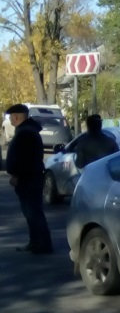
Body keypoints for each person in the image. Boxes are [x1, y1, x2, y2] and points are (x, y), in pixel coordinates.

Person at [5, 103, 53, 254]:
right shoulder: (27, 131)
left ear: (16, 116)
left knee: (33, 212)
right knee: (31, 212)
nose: (11, 120)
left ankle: (42, 244)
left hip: (29, 178)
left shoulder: (25, 133)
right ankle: (35, 242)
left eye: (12, 117)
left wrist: (17, 175)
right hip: (30, 176)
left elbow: (25, 158)